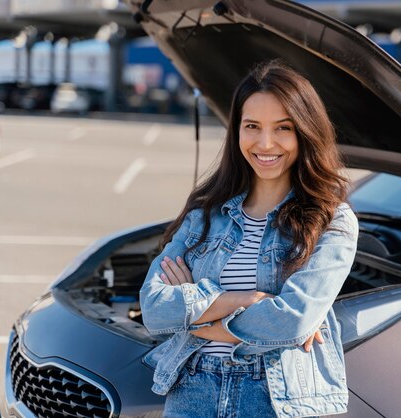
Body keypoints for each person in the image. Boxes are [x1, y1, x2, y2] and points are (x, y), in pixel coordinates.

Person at [139, 60, 358, 417]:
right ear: (236, 131)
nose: (265, 143)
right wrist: (246, 299)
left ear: (305, 132)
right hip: (192, 389)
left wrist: (200, 324)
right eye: (252, 126)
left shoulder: (332, 221)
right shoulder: (204, 214)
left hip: (273, 397)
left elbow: (292, 320)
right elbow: (154, 308)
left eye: (283, 128)